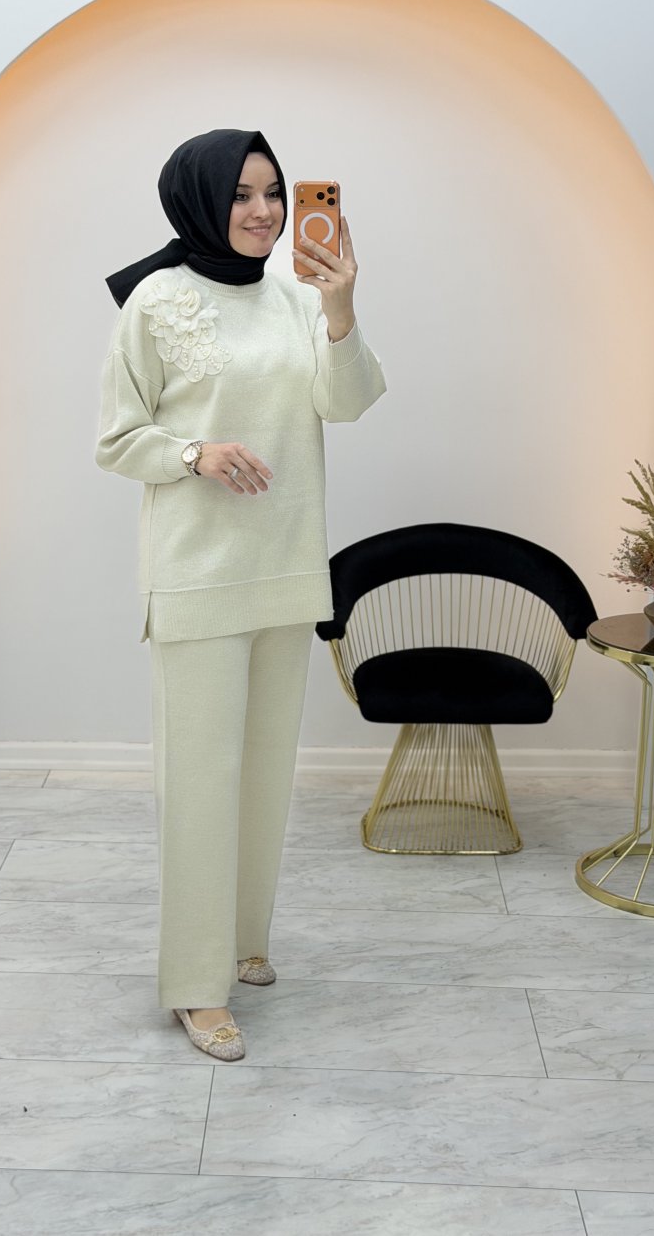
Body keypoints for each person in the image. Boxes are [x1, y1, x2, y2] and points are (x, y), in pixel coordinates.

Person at [96, 128, 385, 1060]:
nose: (263, 212)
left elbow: (347, 401)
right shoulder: (155, 301)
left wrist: (341, 307)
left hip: (287, 566)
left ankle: (243, 941)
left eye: (273, 192)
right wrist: (196, 452)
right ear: (199, 200)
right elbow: (116, 438)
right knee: (200, 783)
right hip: (198, 572)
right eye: (241, 194)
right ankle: (194, 984)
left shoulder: (299, 295)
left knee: (263, 776)